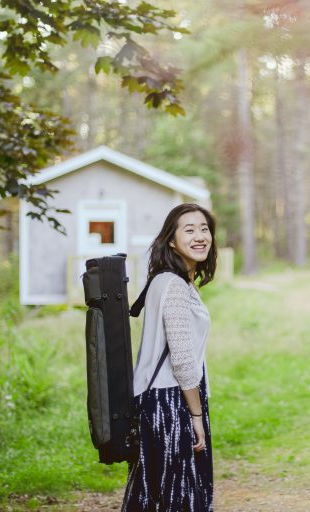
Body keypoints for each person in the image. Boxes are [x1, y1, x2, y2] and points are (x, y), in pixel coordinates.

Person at [122, 203, 217, 512]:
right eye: (189, 230)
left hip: (156, 404)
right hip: (170, 405)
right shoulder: (174, 286)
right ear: (172, 241)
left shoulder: (166, 281)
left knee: (153, 497)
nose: (200, 236)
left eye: (204, 228)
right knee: (182, 500)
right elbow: (183, 360)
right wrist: (196, 415)